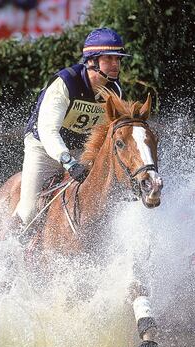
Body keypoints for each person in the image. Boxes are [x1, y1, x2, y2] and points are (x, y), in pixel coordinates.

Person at [14, 27, 130, 226]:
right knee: (29, 210)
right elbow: (48, 131)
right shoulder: (65, 83)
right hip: (43, 148)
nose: (115, 64)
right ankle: (8, 248)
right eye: (109, 58)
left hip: (81, 151)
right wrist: (69, 162)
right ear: (92, 61)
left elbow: (110, 133)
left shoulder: (114, 89)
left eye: (118, 59)